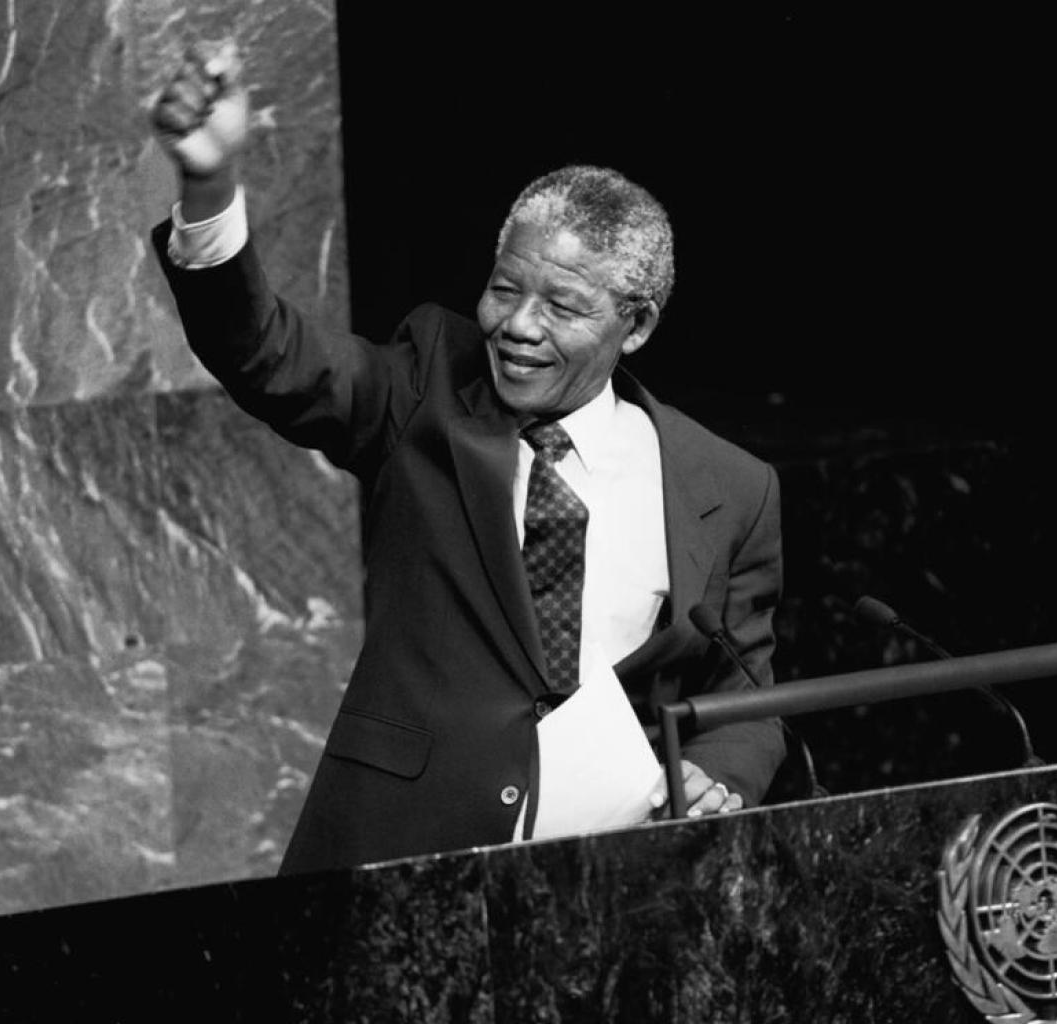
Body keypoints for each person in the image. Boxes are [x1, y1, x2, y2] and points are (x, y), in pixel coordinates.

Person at [149, 44, 785, 874]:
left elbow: (748, 699)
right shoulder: (425, 384)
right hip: (400, 857)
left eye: (562, 305)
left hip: (614, 882)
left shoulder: (726, 486)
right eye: (505, 288)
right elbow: (269, 353)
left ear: (636, 326)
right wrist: (209, 186)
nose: (519, 325)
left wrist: (720, 779)